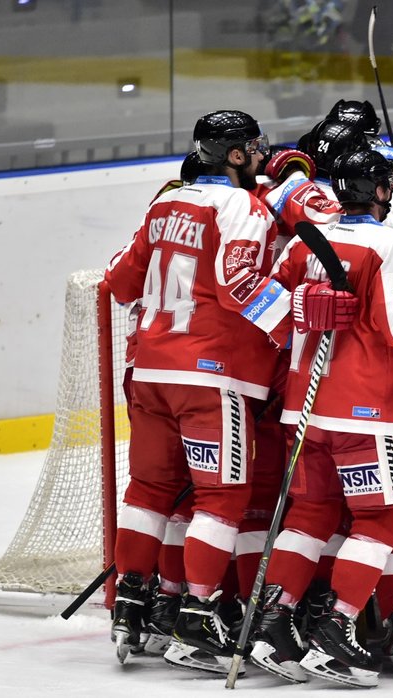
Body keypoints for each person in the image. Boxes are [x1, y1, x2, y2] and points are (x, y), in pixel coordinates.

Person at [103, 109, 358, 670]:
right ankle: (198, 617)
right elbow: (238, 282)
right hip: (212, 377)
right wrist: (299, 319)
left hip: (150, 371)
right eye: (256, 147)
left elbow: (118, 279)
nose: (263, 153)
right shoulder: (240, 206)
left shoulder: (166, 203)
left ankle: (130, 602)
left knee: (147, 489)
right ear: (237, 154)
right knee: (222, 498)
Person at [249, 149, 393, 688]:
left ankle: (274, 625)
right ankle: (336, 630)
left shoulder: (312, 235)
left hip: (305, 408)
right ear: (380, 192)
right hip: (365, 414)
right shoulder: (390, 243)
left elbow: (263, 299)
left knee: (309, 515)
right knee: (382, 521)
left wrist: (302, 308)